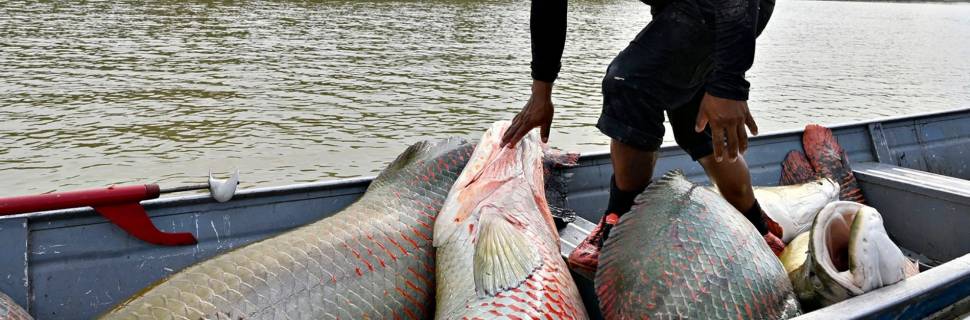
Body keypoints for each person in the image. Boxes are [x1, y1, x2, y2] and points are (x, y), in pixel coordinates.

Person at [499, 0, 783, 278]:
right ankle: (760, 227)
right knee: (692, 123)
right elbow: (550, 6)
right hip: (686, 9)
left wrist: (729, 86)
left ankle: (621, 222)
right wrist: (541, 93)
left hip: (736, 10)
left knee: (629, 83)